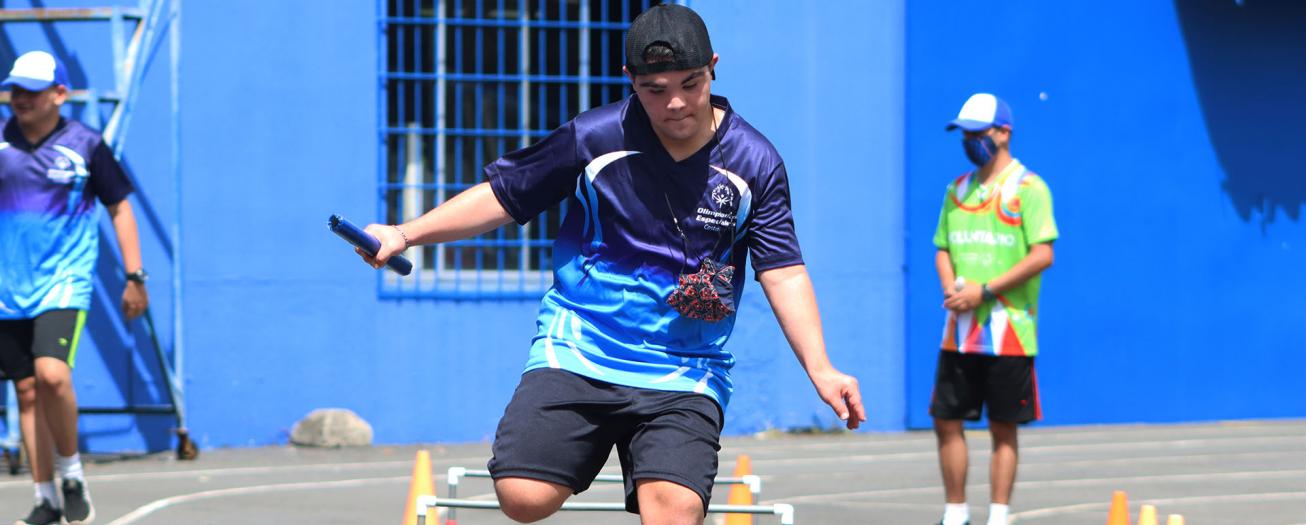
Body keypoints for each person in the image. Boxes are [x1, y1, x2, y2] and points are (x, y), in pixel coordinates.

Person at [360, 5, 865, 524]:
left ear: (713, 67)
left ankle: (655, 456)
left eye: (690, 84)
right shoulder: (595, 137)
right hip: (582, 344)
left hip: (683, 368)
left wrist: (820, 368)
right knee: (522, 497)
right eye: (654, 88)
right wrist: (403, 234)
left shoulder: (755, 162)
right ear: (630, 80)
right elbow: (504, 195)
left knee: (673, 512)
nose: (674, 103)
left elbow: (782, 269)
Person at [0, 50, 150, 525]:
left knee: (52, 376)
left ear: (59, 95)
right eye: (15, 89)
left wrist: (134, 276)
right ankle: (45, 498)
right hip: (6, 287)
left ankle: (71, 474)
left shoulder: (86, 144)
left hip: (63, 281)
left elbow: (120, 208)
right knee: (25, 391)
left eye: (31, 90)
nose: (19, 98)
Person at [929, 93, 1058, 525]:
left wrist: (984, 291)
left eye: (977, 133)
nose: (970, 141)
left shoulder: (1030, 188)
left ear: (1003, 133)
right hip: (958, 330)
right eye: (964, 134)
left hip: (1011, 331)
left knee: (1003, 427)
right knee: (947, 420)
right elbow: (942, 248)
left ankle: (999, 515)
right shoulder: (957, 189)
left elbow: (1042, 254)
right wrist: (952, 289)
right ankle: (955, 512)